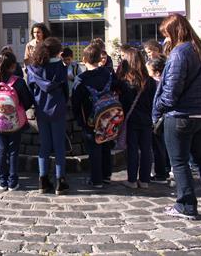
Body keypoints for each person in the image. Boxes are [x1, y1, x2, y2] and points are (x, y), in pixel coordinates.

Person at [152, 13, 201, 219]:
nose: (165, 40)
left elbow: (171, 92)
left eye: (166, 35)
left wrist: (158, 109)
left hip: (181, 117)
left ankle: (186, 205)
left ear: (175, 32)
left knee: (178, 162)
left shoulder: (179, 53)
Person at [27, 37, 70, 194]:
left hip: (41, 109)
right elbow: (66, 89)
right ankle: (60, 181)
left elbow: (30, 89)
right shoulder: (60, 67)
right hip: (57, 107)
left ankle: (43, 180)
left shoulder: (33, 68)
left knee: (44, 145)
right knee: (59, 146)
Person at [72, 43, 116, 188]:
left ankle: (96, 180)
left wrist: (79, 120)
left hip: (90, 119)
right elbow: (121, 88)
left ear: (84, 59)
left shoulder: (81, 79)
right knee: (106, 145)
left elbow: (76, 102)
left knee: (94, 149)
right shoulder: (107, 74)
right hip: (108, 117)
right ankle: (107, 175)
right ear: (99, 58)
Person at [0, 51, 33, 191]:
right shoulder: (19, 82)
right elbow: (27, 102)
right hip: (14, 122)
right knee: (13, 151)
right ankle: (12, 181)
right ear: (13, 66)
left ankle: (2, 180)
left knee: (1, 151)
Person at [117, 48, 156, 189]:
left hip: (131, 119)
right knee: (146, 149)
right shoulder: (150, 81)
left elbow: (121, 102)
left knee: (132, 149)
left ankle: (132, 180)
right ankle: (144, 180)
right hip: (146, 119)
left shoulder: (125, 82)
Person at [147, 55, 171, 183]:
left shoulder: (155, 84)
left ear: (156, 72)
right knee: (164, 146)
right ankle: (165, 170)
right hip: (167, 119)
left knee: (158, 146)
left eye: (149, 71)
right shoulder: (169, 81)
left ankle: (161, 173)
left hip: (158, 119)